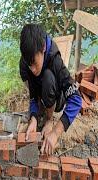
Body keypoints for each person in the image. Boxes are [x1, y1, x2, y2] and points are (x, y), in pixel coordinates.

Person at [19, 24, 82, 155]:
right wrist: (34, 118)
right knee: (34, 78)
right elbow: (32, 94)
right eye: (29, 66)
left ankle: (49, 118)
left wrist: (55, 132)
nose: (33, 70)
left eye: (35, 64)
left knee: (48, 77)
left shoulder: (55, 60)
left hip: (56, 98)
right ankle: (40, 114)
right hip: (40, 96)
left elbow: (76, 99)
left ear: (43, 49)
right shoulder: (26, 62)